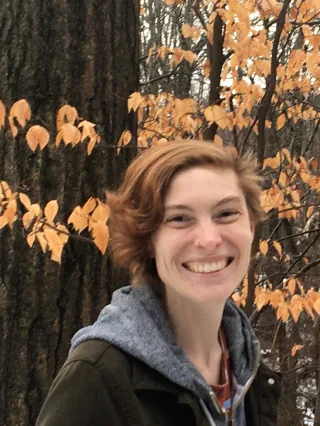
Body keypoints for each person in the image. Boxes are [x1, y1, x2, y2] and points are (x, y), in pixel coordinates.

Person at [36, 139, 281, 426]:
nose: (209, 239)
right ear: (148, 240)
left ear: (250, 226)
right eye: (179, 218)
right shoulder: (98, 377)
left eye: (226, 213)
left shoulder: (246, 369)